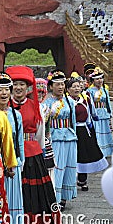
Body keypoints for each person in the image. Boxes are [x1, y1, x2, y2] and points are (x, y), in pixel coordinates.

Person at [6, 66, 59, 224]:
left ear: (28, 87)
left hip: (32, 153)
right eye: (15, 84)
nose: (18, 88)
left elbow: (40, 134)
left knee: (31, 191)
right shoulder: (4, 107)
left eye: (22, 84)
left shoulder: (37, 106)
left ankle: (32, 222)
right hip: (10, 151)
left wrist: (37, 150)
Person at [0, 72, 24, 224]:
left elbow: (19, 142)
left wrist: (20, 162)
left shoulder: (16, 115)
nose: (4, 93)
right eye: (0, 89)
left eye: (7, 89)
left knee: (13, 200)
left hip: (13, 165)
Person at [66, 74, 108, 192]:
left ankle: (83, 180)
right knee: (74, 155)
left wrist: (90, 127)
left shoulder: (84, 99)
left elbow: (89, 114)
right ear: (68, 89)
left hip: (84, 130)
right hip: (72, 131)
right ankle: (69, 180)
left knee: (84, 155)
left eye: (78, 87)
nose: (76, 89)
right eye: (73, 87)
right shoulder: (66, 102)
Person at [43, 70, 77, 211]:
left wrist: (74, 134)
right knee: (57, 167)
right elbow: (45, 124)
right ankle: (54, 198)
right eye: (57, 84)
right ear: (51, 87)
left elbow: (72, 120)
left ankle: (64, 196)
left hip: (69, 137)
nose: (61, 87)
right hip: (55, 137)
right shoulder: (47, 103)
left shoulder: (69, 101)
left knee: (69, 166)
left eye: (62, 84)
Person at [87, 67, 113, 157]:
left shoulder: (105, 90)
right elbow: (89, 105)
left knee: (106, 134)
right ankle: (99, 153)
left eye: (101, 78)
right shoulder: (89, 91)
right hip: (96, 116)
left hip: (104, 114)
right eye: (97, 79)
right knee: (98, 134)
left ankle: (108, 152)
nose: (100, 80)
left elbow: (107, 103)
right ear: (93, 80)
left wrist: (110, 113)